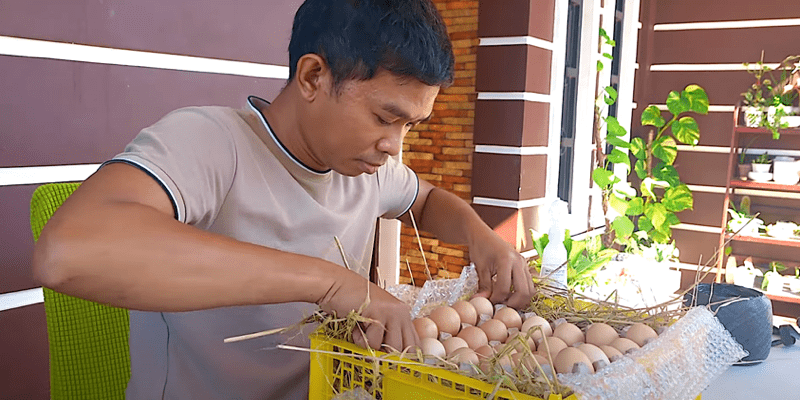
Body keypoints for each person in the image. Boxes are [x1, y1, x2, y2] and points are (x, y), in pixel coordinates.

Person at [32, 0, 535, 398]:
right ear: (314, 76)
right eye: (385, 118)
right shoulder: (213, 143)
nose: (393, 145)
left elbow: (425, 200)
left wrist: (481, 238)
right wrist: (329, 283)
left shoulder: (364, 169)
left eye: (410, 126)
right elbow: (69, 251)